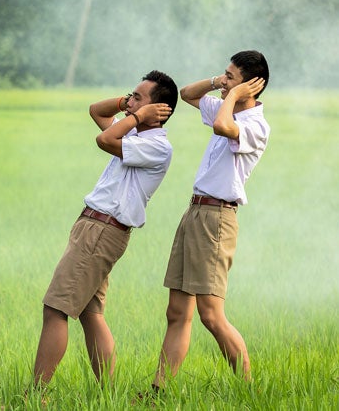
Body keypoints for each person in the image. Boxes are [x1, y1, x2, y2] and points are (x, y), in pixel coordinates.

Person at [33, 71, 178, 387]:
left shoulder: (156, 146)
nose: (130, 102)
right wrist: (130, 104)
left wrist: (137, 115)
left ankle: (34, 396)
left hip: (101, 230)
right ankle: (108, 394)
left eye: (138, 97)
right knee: (90, 313)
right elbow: (96, 111)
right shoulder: (135, 135)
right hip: (95, 227)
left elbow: (104, 139)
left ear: (158, 110)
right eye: (131, 95)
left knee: (55, 309)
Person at [147, 50, 269, 392]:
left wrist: (232, 95)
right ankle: (160, 391)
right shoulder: (226, 104)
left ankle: (248, 390)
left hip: (217, 218)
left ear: (249, 88)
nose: (223, 80)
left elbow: (221, 125)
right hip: (196, 212)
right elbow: (187, 94)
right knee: (177, 311)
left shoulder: (255, 125)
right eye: (224, 74)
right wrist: (221, 84)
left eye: (231, 76)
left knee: (211, 315)